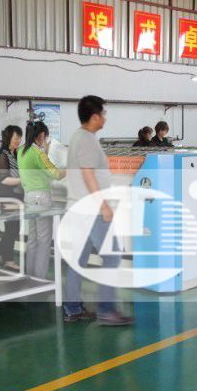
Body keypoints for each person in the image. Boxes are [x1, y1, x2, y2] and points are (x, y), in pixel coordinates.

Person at [63, 95, 133, 326]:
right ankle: (107, 310)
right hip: (90, 210)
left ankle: (73, 308)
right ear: (94, 117)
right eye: (103, 113)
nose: (105, 117)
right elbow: (88, 175)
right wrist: (103, 206)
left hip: (77, 208)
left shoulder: (79, 137)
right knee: (112, 255)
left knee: (78, 260)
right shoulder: (86, 140)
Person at [18, 120, 64, 279]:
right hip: (41, 198)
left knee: (32, 238)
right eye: (46, 137)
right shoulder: (38, 153)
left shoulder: (21, 151)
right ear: (42, 135)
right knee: (44, 239)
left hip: (29, 197)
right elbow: (56, 174)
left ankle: (30, 275)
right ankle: (39, 278)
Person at [0, 125, 23, 271]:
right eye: (16, 137)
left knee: (13, 228)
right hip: (8, 196)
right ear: (8, 137)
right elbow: (3, 179)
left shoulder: (14, 153)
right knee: (12, 228)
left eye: (20, 138)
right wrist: (22, 180)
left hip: (17, 195)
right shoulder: (2, 155)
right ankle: (9, 261)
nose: (18, 140)